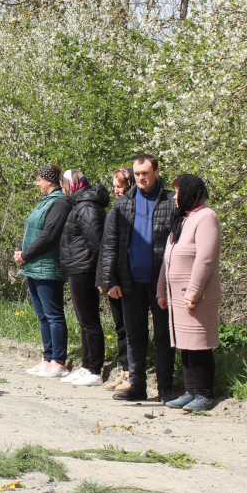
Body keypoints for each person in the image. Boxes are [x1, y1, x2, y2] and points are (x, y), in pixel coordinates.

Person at [99, 154, 178, 402]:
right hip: (130, 280)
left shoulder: (170, 202)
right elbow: (109, 244)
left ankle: (166, 388)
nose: (141, 177)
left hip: (161, 283)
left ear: (156, 172)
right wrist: (109, 280)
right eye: (137, 173)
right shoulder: (123, 204)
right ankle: (137, 385)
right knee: (135, 336)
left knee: (164, 336)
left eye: (145, 172)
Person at [158, 174, 221, 412]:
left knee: (199, 344)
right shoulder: (183, 219)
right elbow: (168, 258)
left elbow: (205, 259)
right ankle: (190, 391)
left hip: (196, 296)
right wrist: (161, 290)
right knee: (185, 344)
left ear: (191, 192)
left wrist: (193, 293)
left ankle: (204, 394)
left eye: (178, 192)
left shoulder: (207, 217)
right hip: (177, 295)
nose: (175, 197)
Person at [18, 166, 71, 377]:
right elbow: (32, 230)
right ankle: (47, 357)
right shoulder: (45, 202)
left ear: (50, 181)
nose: (37, 184)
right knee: (42, 315)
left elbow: (49, 235)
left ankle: (58, 360)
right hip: (34, 266)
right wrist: (21, 251)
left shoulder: (59, 203)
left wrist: (26, 254)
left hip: (48, 266)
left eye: (39, 180)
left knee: (53, 315)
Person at [58, 170, 110, 387]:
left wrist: (101, 274)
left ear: (72, 185)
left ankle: (95, 369)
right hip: (78, 267)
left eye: (64, 185)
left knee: (90, 320)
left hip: (86, 268)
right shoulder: (79, 204)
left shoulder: (86, 206)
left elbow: (97, 243)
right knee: (83, 320)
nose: (63, 189)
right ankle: (86, 365)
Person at [103, 167, 134, 391]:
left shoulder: (135, 209)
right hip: (114, 277)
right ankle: (124, 369)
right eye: (114, 187)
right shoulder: (116, 208)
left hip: (131, 276)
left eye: (120, 187)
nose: (116, 191)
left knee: (133, 327)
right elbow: (107, 247)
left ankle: (134, 372)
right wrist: (104, 279)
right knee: (120, 326)